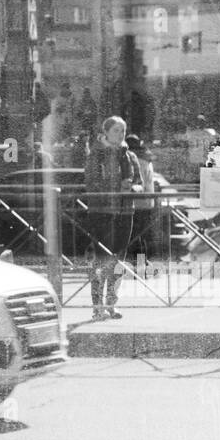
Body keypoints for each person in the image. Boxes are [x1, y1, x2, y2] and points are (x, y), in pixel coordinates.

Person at [83, 116, 142, 320]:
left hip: (125, 212)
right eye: (116, 130)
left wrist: (133, 187)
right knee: (101, 259)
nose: (120, 134)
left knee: (119, 260)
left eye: (123, 131)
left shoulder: (130, 156)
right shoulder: (96, 155)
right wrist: (117, 188)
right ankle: (97, 306)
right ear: (106, 132)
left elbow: (139, 183)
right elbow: (91, 183)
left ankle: (111, 304)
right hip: (101, 212)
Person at [125, 133, 157, 258]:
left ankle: (138, 265)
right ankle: (142, 265)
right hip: (147, 203)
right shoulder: (146, 159)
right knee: (143, 236)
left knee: (133, 236)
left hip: (136, 203)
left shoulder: (134, 160)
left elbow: (137, 184)